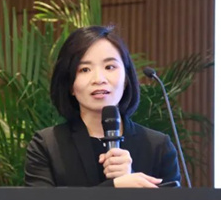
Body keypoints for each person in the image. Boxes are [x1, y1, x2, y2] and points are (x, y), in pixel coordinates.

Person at [24, 25, 181, 188]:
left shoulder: (158, 147)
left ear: (126, 79)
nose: (99, 79)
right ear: (70, 85)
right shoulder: (47, 145)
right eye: (85, 69)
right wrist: (114, 186)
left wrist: (131, 180)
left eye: (109, 67)